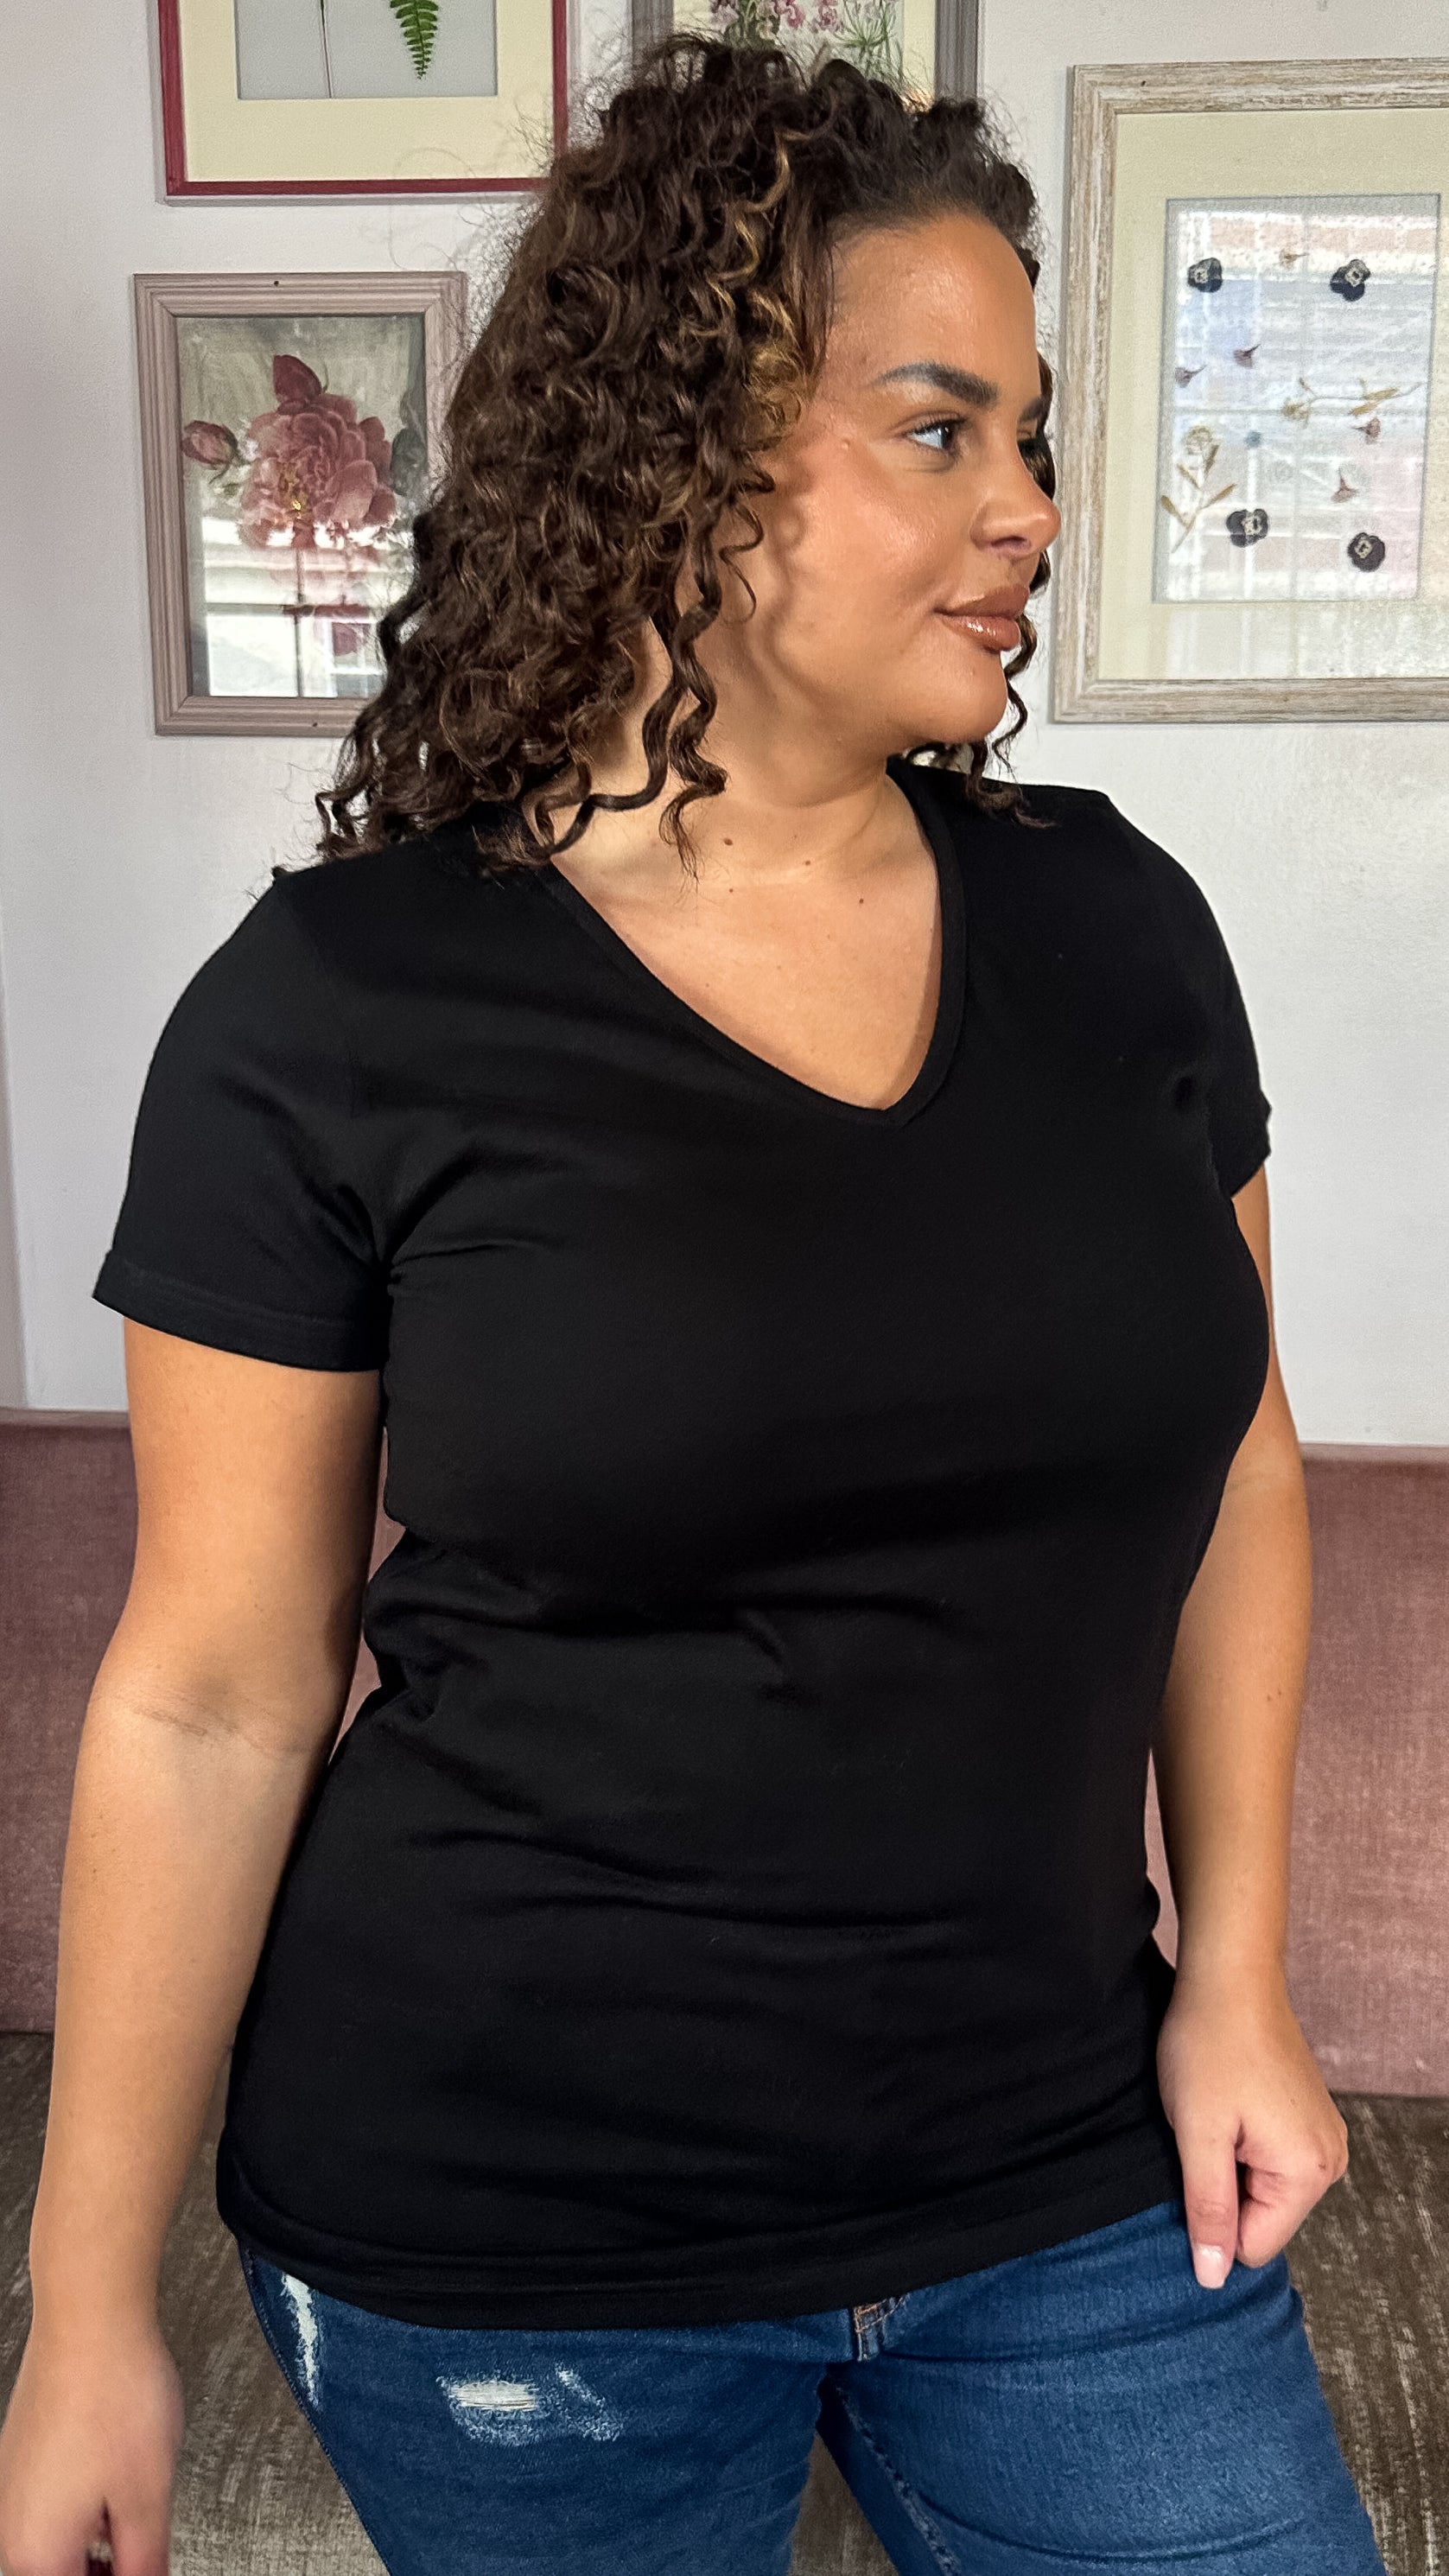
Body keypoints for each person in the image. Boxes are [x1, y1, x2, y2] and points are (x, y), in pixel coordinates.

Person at [0, 31, 1389, 2576]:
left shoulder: (1114, 929)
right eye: (940, 431)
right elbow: (210, 1693)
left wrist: (1241, 1976)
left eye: (1030, 437)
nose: (1029, 508)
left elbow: (1243, 1477)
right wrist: (88, 2306)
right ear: (685, 459)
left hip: (1065, 2176)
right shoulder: (340, 1012)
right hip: (510, 2233)